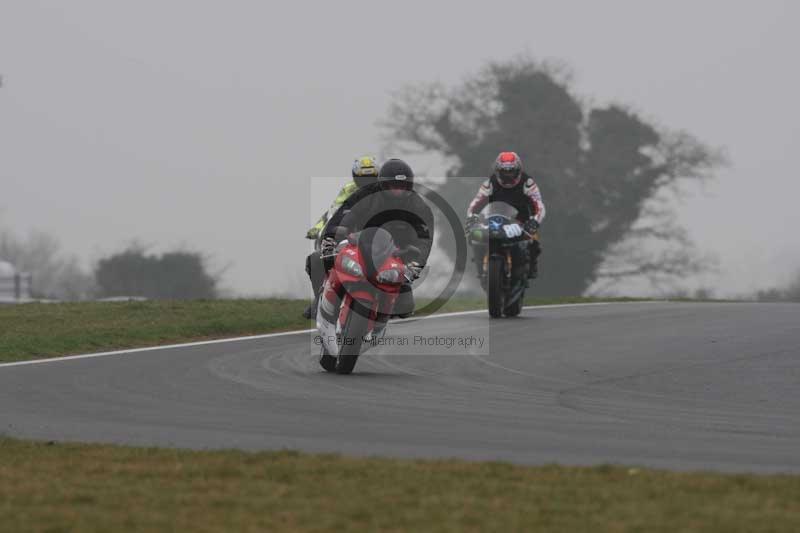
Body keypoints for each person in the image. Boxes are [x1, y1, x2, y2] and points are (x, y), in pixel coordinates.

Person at [311, 158, 434, 321]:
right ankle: (320, 301)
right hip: (357, 246)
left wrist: (417, 263)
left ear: (409, 186)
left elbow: (424, 239)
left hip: (396, 255)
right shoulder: (366, 194)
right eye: (393, 186)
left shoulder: (419, 206)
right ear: (383, 185)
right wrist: (330, 238)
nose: (398, 191)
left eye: (402, 187)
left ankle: (382, 310)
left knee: (405, 307)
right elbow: (343, 215)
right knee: (316, 259)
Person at [302, 156, 379, 319]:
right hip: (348, 235)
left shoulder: (382, 192)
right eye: (362, 178)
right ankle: (320, 299)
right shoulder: (349, 190)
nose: (366, 182)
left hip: (375, 239)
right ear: (355, 177)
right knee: (316, 259)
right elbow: (333, 212)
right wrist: (319, 230)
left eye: (371, 178)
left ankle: (396, 300)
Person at [465, 151, 546, 279]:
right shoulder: (490, 183)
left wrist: (534, 221)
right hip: (493, 219)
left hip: (520, 221)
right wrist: (472, 217)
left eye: (511, 171)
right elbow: (475, 203)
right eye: (504, 171)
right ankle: (480, 268)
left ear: (518, 170)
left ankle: (530, 268)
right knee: (474, 235)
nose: (508, 175)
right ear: (498, 171)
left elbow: (539, 205)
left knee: (533, 240)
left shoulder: (527, 183)